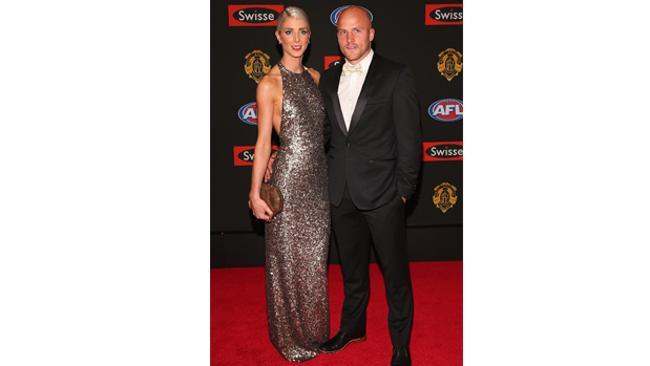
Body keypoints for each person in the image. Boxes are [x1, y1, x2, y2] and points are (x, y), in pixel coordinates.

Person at [317, 6, 421, 366]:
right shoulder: (329, 79)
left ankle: (401, 344)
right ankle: (352, 328)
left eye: (357, 31)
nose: (350, 38)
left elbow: (410, 139)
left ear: (371, 33)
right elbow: (328, 136)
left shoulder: (396, 75)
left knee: (395, 275)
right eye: (344, 32)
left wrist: (403, 191)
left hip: (383, 195)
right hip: (341, 192)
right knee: (353, 271)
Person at [248, 6, 330, 363]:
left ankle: (315, 332)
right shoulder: (269, 83)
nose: (297, 39)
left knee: (314, 261)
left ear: (310, 36)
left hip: (319, 183)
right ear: (278, 36)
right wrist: (254, 193)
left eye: (303, 32)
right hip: (289, 183)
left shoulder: (316, 77)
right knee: (286, 261)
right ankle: (290, 336)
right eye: (290, 32)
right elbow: (264, 141)